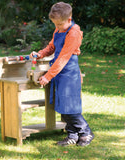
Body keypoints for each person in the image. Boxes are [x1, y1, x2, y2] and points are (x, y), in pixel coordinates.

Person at [30, 1, 94, 147]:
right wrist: (39, 54)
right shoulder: (59, 30)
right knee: (62, 106)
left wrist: (48, 76)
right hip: (59, 72)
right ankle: (72, 135)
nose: (56, 28)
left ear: (69, 19)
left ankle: (86, 132)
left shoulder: (74, 32)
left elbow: (64, 57)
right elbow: (52, 47)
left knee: (70, 107)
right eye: (55, 25)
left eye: (59, 25)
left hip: (69, 73)